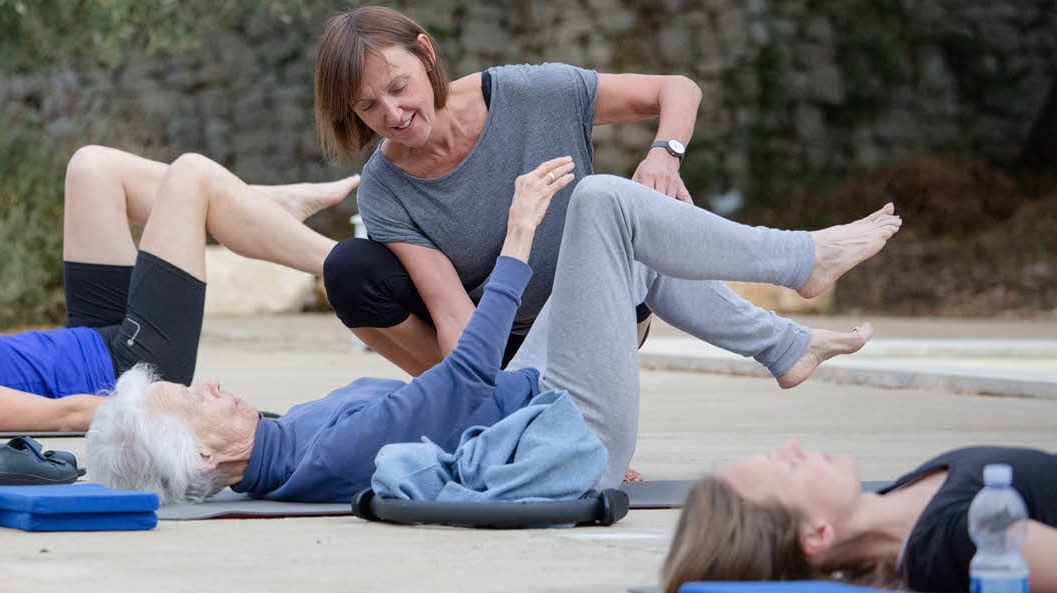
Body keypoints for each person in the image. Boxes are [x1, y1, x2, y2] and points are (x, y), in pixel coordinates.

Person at [86, 156, 900, 506]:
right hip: (562, 424)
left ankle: (785, 349)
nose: (215, 385)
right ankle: (802, 260)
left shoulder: (287, 445)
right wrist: (514, 243)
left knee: (631, 258)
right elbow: (459, 384)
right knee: (604, 206)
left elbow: (457, 412)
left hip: (532, 411)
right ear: (202, 456)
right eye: (198, 402)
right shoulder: (314, 455)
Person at [314, 6, 864, 403]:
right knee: (351, 266)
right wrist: (491, 407)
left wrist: (664, 155)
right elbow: (454, 315)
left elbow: (677, 88)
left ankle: (792, 296)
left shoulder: (530, 93)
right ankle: (790, 323)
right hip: (507, 347)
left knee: (619, 207)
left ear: (426, 51)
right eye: (368, 107)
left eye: (400, 86)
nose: (393, 113)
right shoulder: (386, 187)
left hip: (603, 310)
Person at [0, 145, 358, 432]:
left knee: (92, 168)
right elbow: (61, 417)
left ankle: (256, 205)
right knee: (192, 176)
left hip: (88, 340)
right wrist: (161, 409)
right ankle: (354, 268)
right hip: (129, 374)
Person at [659, 442, 1057, 593]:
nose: (795, 447)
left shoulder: (901, 498)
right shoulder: (963, 539)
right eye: (790, 468)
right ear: (817, 534)